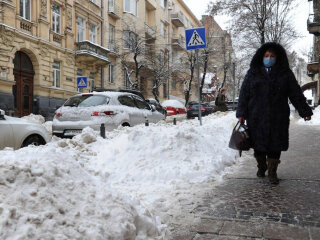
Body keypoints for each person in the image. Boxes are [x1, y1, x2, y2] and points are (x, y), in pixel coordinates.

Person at [236, 42, 313, 184]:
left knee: (275, 146)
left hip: (278, 117)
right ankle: (261, 165)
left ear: (277, 57)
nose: (269, 58)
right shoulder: (253, 73)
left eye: (272, 56)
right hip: (256, 117)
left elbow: (295, 93)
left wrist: (304, 111)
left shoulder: (285, 73)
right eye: (266, 55)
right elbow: (244, 94)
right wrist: (241, 113)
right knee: (258, 146)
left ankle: (272, 172)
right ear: (261, 57)